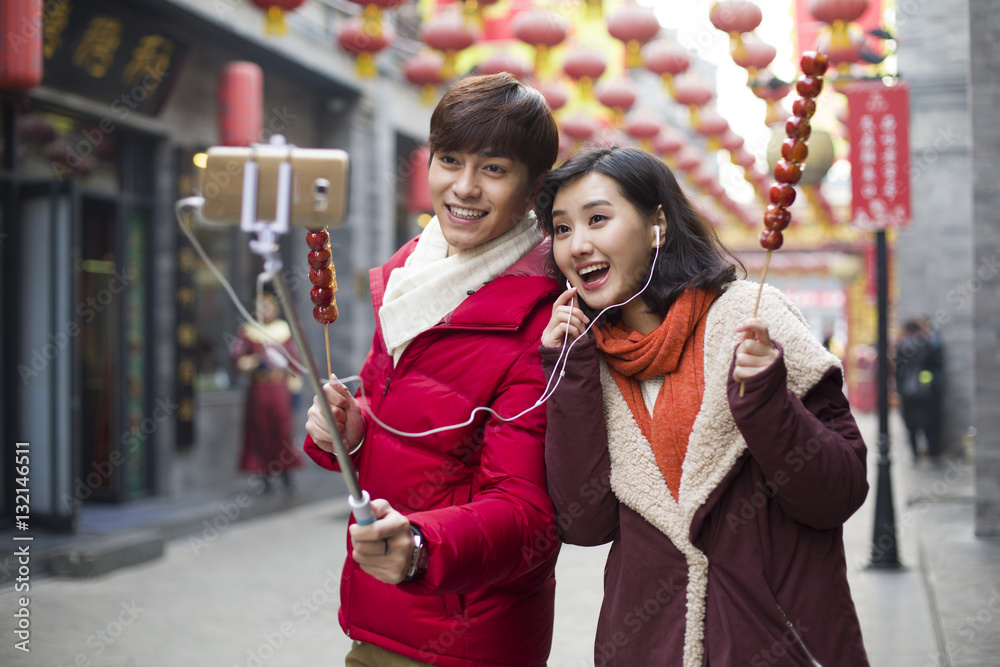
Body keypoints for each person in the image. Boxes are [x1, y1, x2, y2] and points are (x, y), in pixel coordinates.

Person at [536, 147, 870, 665]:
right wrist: (571, 370)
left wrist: (766, 403)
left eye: (598, 219)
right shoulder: (587, 358)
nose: (577, 246)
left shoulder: (750, 317)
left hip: (776, 642)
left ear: (657, 226)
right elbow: (585, 524)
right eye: (561, 229)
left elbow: (837, 493)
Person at [303, 73, 561, 667]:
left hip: (466, 635)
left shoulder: (545, 327)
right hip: (382, 614)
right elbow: (394, 419)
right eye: (449, 159)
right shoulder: (410, 278)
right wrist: (350, 431)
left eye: (494, 169)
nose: (464, 188)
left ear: (533, 190)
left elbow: (528, 514)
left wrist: (422, 548)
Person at [231, 293, 303, 494]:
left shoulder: (283, 331)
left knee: (283, 430)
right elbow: (237, 358)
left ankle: (287, 475)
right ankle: (264, 477)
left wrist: (294, 386)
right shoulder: (248, 332)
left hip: (279, 387)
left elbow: (295, 360)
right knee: (259, 429)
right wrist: (253, 362)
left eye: (268, 307)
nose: (265, 311)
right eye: (261, 307)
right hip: (259, 387)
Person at [894, 317, 945, 462]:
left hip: (908, 392)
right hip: (926, 391)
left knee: (911, 425)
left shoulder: (902, 345)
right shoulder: (927, 343)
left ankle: (915, 454)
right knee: (930, 423)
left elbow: (898, 371)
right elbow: (937, 362)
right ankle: (933, 453)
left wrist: (900, 390)